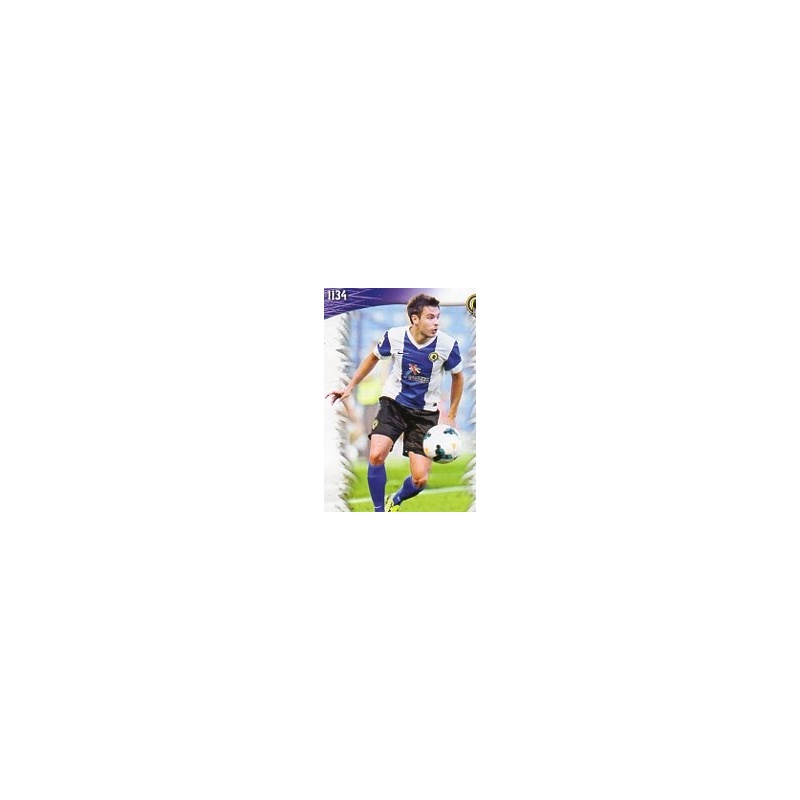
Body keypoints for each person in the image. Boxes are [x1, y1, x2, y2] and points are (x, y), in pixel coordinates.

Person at [326, 293, 464, 511]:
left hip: (425, 413)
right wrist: (350, 386)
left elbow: (458, 377)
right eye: (430, 317)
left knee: (420, 480)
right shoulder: (394, 336)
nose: (436, 322)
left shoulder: (447, 345)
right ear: (415, 319)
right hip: (394, 404)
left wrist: (452, 415)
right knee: (376, 454)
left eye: (438, 317)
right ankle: (379, 511)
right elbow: (373, 357)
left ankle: (396, 499)